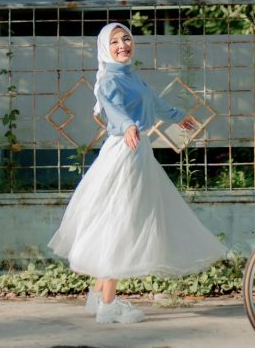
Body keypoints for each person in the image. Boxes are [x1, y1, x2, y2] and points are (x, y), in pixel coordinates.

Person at [48, 22, 228, 324]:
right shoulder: (108, 79)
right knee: (121, 220)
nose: (123, 45)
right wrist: (128, 125)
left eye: (126, 38)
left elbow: (154, 103)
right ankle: (108, 306)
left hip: (137, 150)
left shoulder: (131, 76)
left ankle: (97, 297)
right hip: (125, 150)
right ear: (105, 48)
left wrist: (178, 117)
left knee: (120, 217)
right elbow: (113, 108)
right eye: (115, 41)